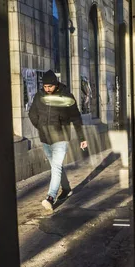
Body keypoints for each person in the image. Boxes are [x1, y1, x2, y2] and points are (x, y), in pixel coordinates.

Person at [28, 70, 88, 211]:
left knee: (55, 167)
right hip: (45, 139)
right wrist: (40, 127)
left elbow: (76, 118)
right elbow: (32, 113)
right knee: (57, 167)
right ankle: (66, 189)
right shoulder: (39, 96)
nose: (47, 89)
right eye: (45, 86)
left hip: (61, 138)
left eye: (50, 86)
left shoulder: (66, 97)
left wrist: (82, 138)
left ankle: (50, 197)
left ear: (56, 85)